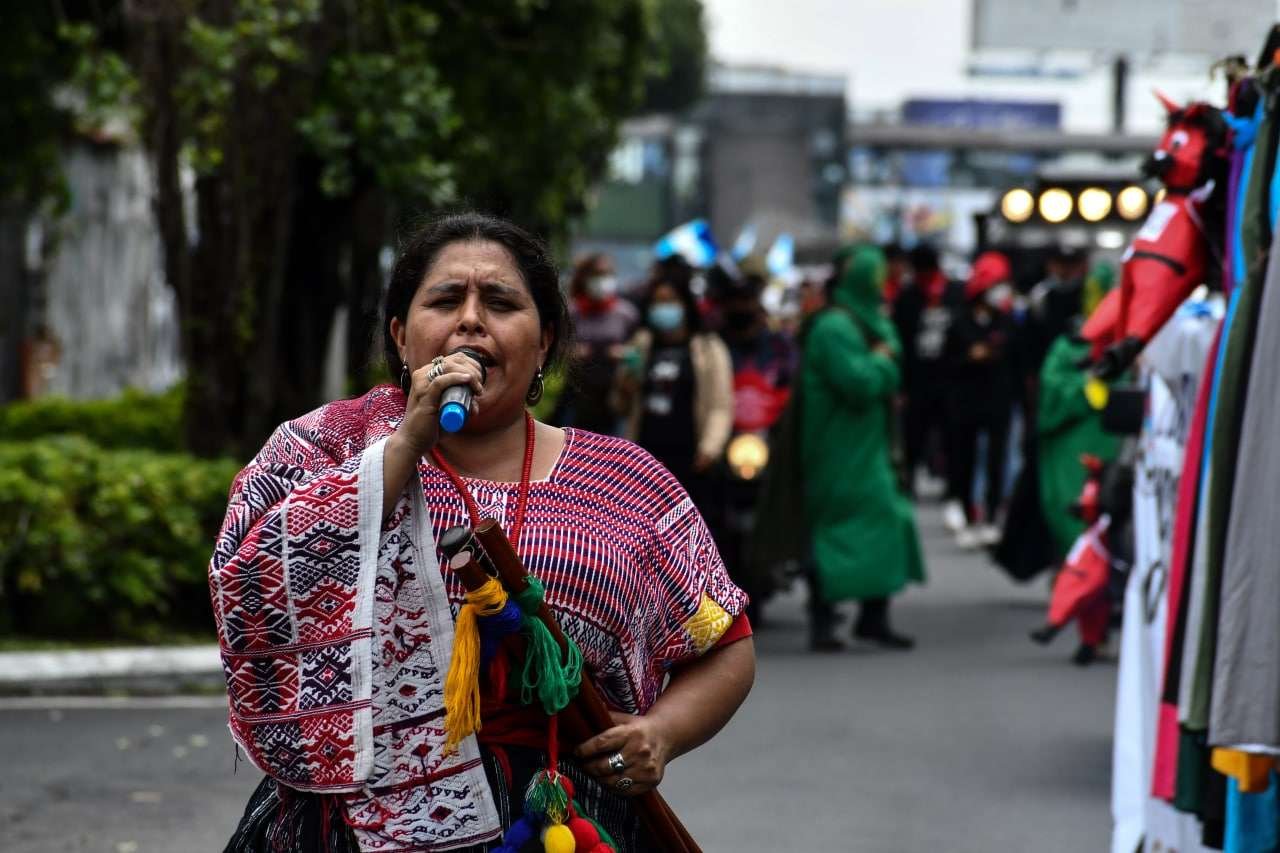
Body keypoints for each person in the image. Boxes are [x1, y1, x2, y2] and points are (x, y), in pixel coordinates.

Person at [212, 213, 755, 852]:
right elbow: (246, 588)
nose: (471, 320)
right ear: (401, 336)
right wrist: (406, 443)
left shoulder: (626, 483)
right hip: (348, 830)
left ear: (546, 341)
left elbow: (725, 644)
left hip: (555, 824)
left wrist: (661, 732)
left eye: (500, 302)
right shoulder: (322, 450)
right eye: (445, 299)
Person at [802, 245, 925, 651]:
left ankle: (874, 616)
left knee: (889, 521)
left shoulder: (867, 322)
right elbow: (861, 384)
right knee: (835, 530)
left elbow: (889, 356)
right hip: (835, 449)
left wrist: (883, 359)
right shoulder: (834, 328)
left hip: (868, 448)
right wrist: (884, 364)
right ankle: (823, 620)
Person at [612, 262, 734, 507]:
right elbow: (619, 405)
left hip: (690, 458)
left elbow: (721, 404)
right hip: (645, 462)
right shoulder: (642, 344)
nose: (663, 309)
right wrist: (626, 382)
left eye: (670, 302)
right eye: (658, 303)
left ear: (685, 305)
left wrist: (710, 448)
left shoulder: (708, 348)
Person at [943, 251, 1017, 548]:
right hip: (964, 402)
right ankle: (965, 511)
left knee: (998, 460)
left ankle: (991, 517)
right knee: (965, 458)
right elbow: (946, 363)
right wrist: (969, 357)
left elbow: (1015, 357)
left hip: (997, 400)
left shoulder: (1008, 321)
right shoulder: (959, 322)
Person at [892, 243, 960, 505]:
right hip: (918, 381)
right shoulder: (908, 297)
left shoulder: (953, 293)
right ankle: (908, 485)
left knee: (951, 437)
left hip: (949, 379)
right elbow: (901, 342)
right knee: (914, 437)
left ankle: (953, 488)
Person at [555, 252, 639, 434]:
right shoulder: (571, 313)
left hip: (614, 397)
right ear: (585, 278)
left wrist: (625, 354)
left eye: (607, 274)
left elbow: (639, 351)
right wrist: (572, 353)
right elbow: (554, 348)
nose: (603, 280)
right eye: (597, 275)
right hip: (576, 398)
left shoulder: (626, 314)